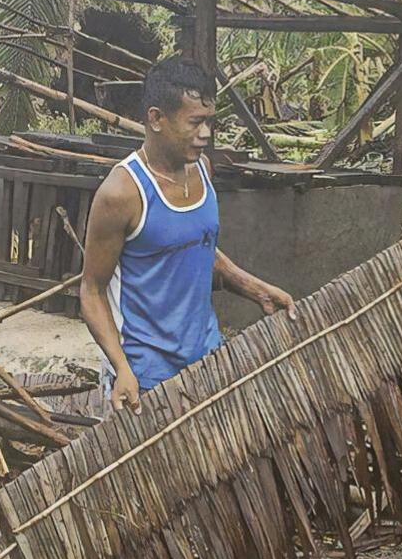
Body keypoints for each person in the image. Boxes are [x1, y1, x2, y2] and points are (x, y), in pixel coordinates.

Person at [80, 56, 297, 412]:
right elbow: (91, 291)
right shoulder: (122, 193)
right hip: (145, 369)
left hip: (205, 353)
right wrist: (121, 368)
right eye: (195, 123)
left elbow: (199, 247)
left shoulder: (202, 170)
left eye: (209, 122)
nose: (206, 134)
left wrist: (255, 288)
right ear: (156, 119)